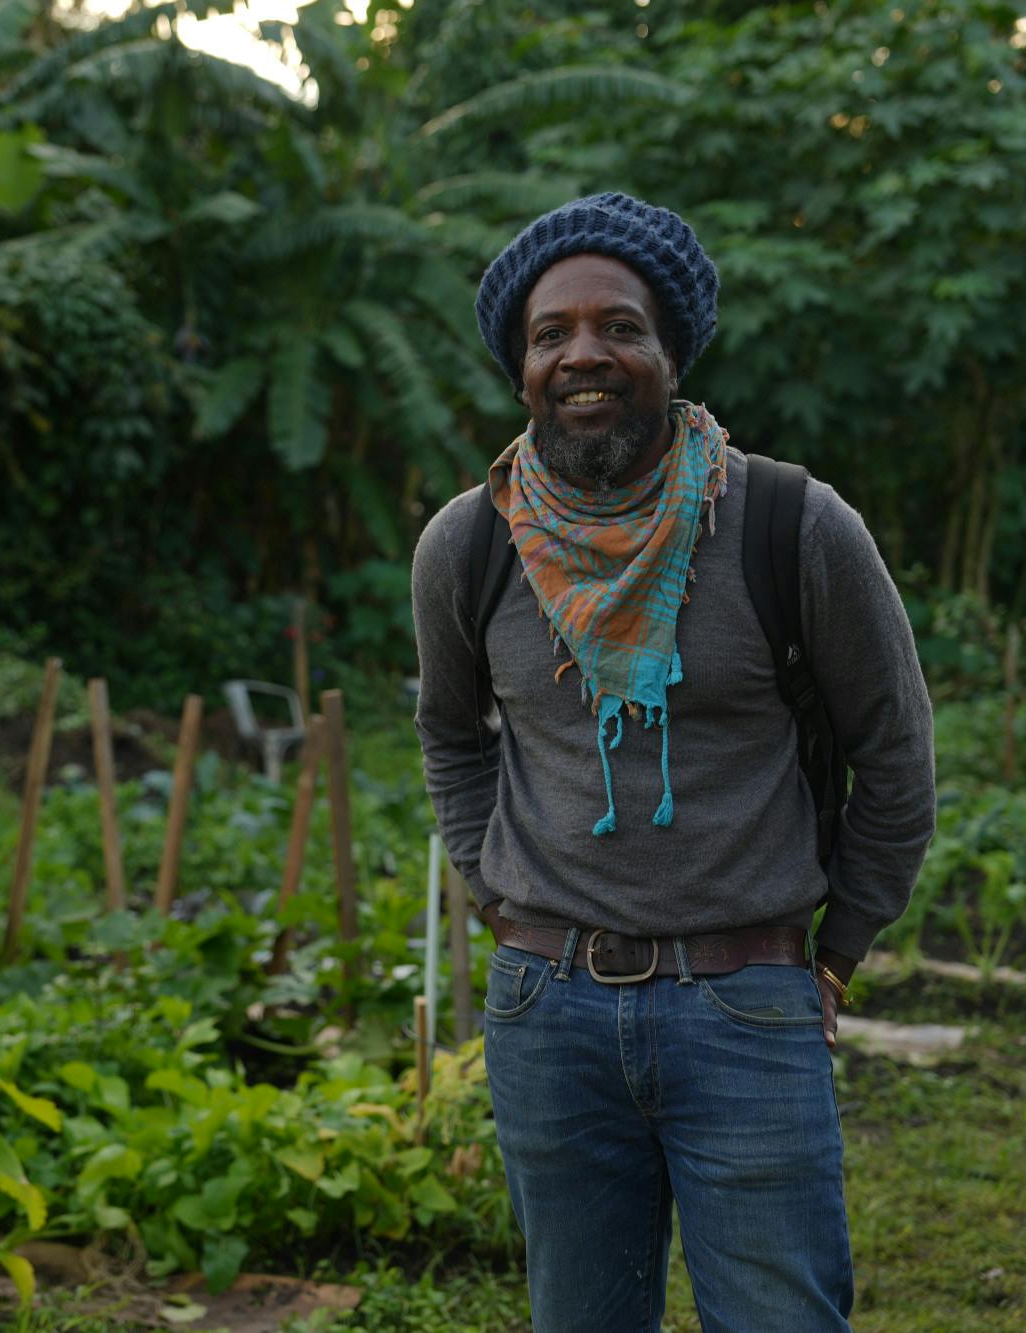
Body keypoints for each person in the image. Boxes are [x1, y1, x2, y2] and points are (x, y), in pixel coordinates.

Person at [410, 191, 937, 1331]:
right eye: (550, 334)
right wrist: (495, 897)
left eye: (618, 327)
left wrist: (833, 955)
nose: (582, 354)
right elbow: (451, 736)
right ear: (518, 366)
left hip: (746, 1006)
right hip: (544, 1012)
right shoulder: (468, 545)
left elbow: (892, 755)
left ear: (669, 352)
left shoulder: (790, 526)